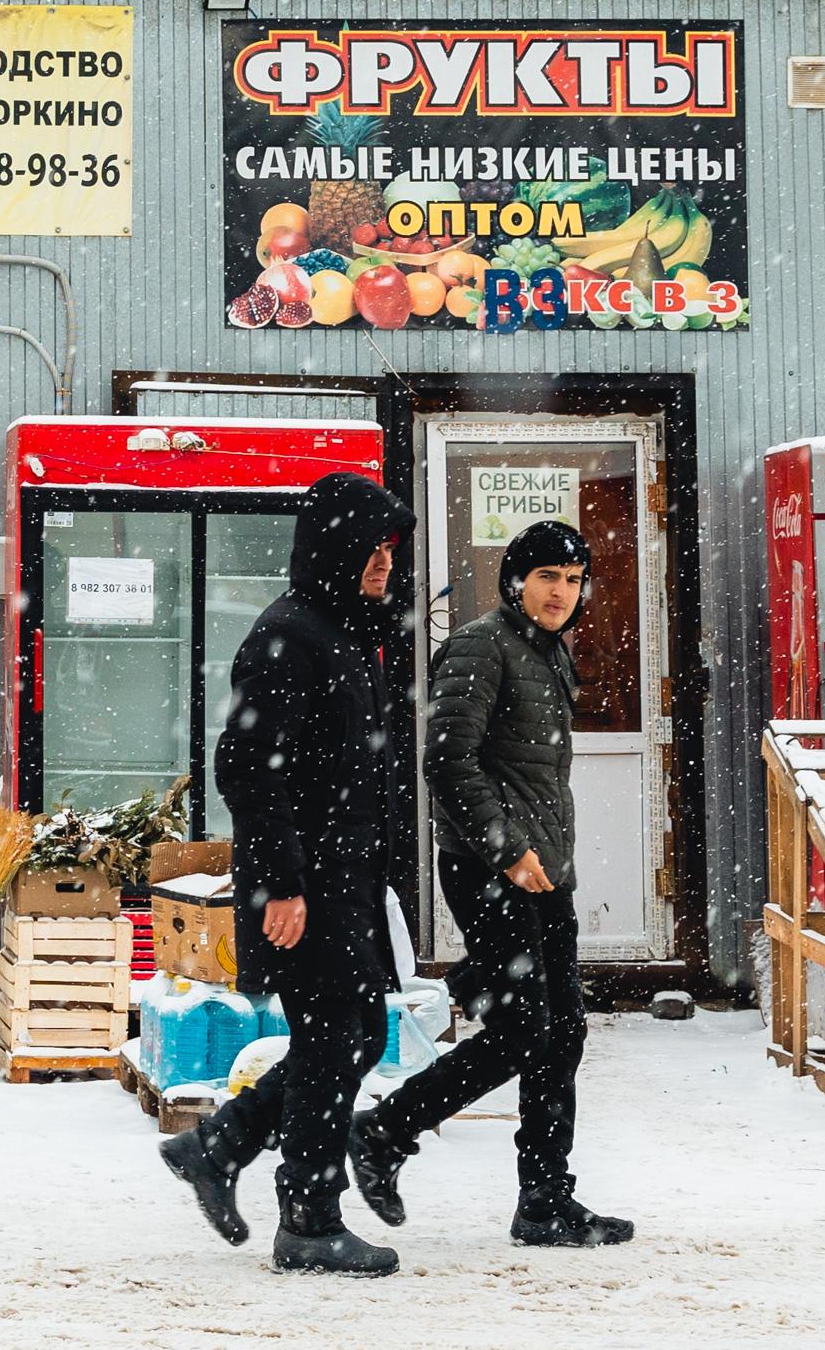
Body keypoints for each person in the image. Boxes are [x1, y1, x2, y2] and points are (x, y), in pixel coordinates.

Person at [159, 471, 425, 1277]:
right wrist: (280, 883)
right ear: (331, 546)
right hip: (307, 885)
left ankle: (221, 1145)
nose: (383, 563)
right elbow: (243, 767)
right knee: (337, 1036)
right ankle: (307, 1217)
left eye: (389, 549)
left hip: (344, 879)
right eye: (369, 548)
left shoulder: (346, 631)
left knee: (344, 1037)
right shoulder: (290, 635)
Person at [351, 515, 630, 1249]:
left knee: (562, 1033)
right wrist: (507, 850)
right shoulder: (482, 644)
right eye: (548, 578)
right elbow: (447, 760)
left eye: (573, 580)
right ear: (517, 581)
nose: (562, 592)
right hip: (491, 870)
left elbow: (526, 773)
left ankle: (544, 1199)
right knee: (520, 1034)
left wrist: (542, 856)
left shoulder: (547, 651)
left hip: (544, 870)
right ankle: (383, 1132)